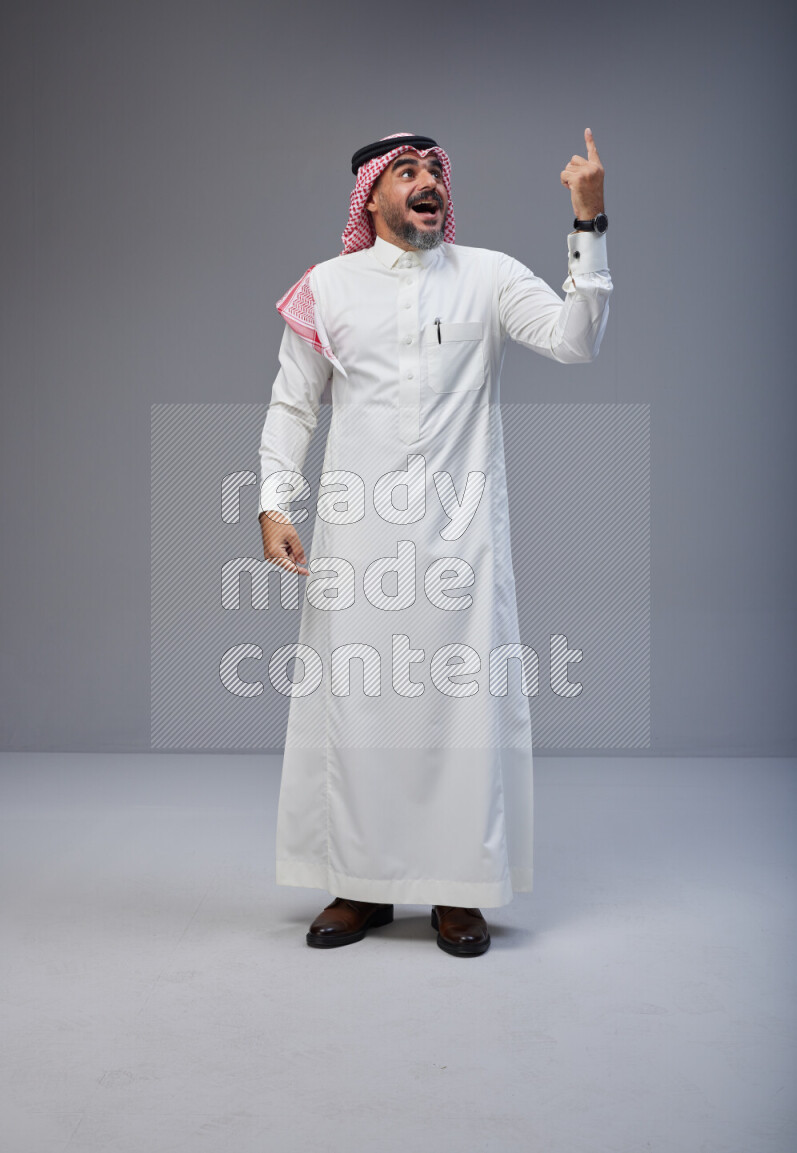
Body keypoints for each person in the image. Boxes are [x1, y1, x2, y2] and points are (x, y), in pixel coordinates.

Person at [258, 130, 612, 956]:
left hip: (462, 544)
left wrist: (588, 223)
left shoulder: (486, 276)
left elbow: (576, 338)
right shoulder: (328, 287)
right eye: (407, 173)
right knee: (357, 707)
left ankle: (459, 891)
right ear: (371, 196)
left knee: (459, 713)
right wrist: (275, 502)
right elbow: (292, 404)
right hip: (357, 540)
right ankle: (360, 885)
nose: (429, 185)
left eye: (436, 173)